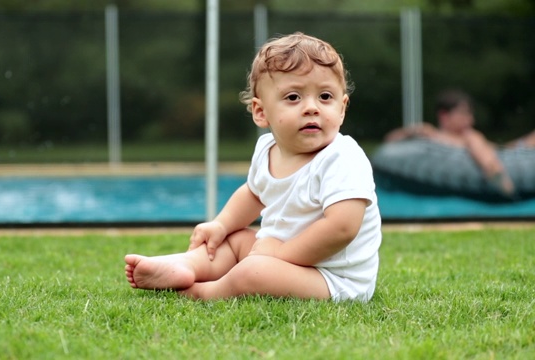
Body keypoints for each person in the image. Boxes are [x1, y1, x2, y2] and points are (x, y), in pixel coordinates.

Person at [124, 32, 382, 302]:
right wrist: (221, 225)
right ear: (261, 112)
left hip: (332, 278)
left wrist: (279, 255)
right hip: (282, 256)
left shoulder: (342, 158)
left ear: (342, 108)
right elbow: (253, 194)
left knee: (254, 270)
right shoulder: (267, 150)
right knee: (234, 241)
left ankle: (204, 291)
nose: (311, 108)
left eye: (325, 96)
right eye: (293, 97)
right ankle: (186, 265)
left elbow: (341, 228)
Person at [384, 89, 535, 196]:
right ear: (444, 115)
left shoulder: (470, 137)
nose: (470, 120)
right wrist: (415, 130)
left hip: (508, 155)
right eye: (464, 113)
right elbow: (389, 142)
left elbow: (489, 161)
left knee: (521, 145)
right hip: (501, 151)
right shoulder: (430, 134)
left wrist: (507, 190)